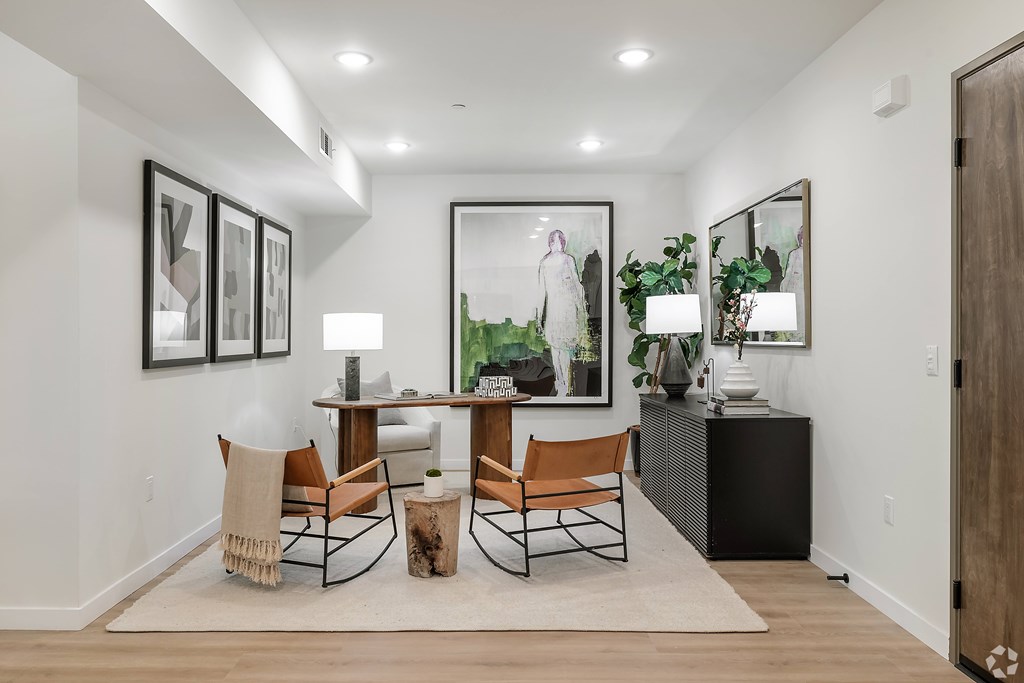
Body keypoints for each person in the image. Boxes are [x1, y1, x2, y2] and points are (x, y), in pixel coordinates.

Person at [535, 229, 587, 396]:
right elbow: (577, 287)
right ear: (553, 243)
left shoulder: (550, 262)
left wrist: (538, 318)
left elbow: (576, 287)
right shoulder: (563, 260)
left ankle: (562, 385)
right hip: (560, 312)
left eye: (559, 241)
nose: (559, 245)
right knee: (560, 350)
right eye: (557, 241)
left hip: (562, 311)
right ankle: (563, 386)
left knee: (560, 350)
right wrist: (582, 310)